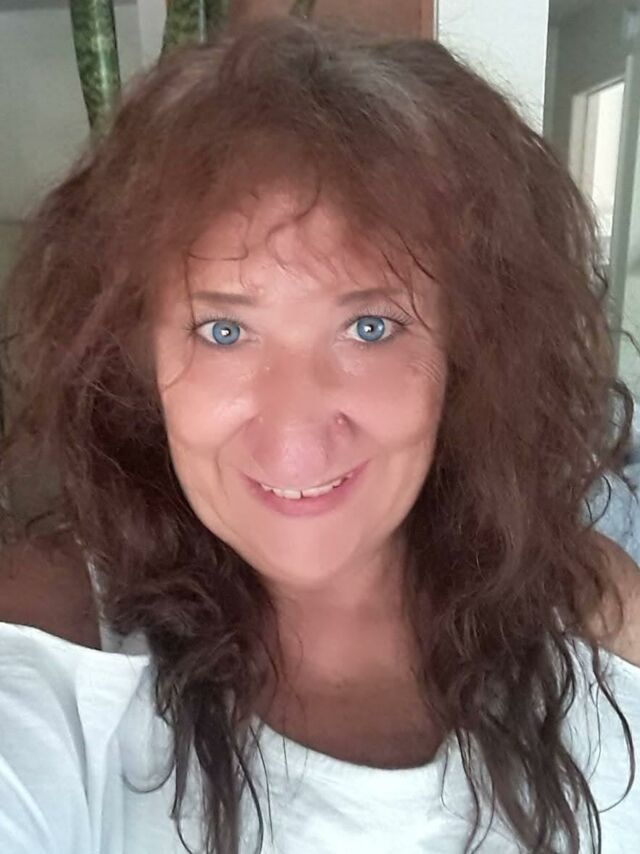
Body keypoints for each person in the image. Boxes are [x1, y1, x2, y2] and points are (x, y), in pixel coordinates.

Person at [0, 16, 638, 854]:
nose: (295, 427)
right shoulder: (56, 636)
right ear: (139, 361)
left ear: (467, 352)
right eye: (224, 332)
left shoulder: (592, 614)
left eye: (370, 328)